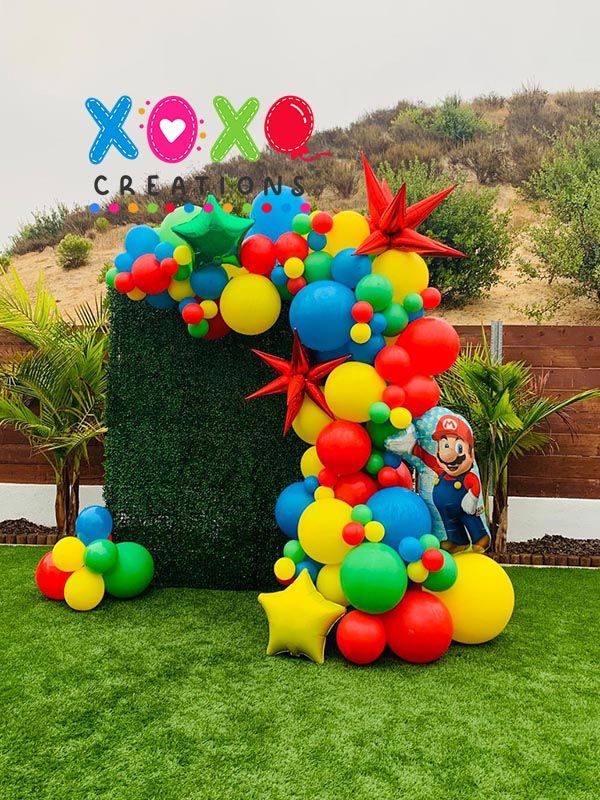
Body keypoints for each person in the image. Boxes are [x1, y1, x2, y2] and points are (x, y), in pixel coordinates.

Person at [387, 414, 490, 553]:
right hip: (446, 512)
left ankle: (480, 537)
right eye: (445, 445)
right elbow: (427, 459)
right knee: (451, 524)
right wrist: (411, 448)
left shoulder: (467, 476)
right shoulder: (439, 468)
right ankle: (458, 541)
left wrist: (472, 496)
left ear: (470, 453)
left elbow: (474, 484)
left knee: (469, 518)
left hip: (463, 506)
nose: (449, 456)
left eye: (459, 448)